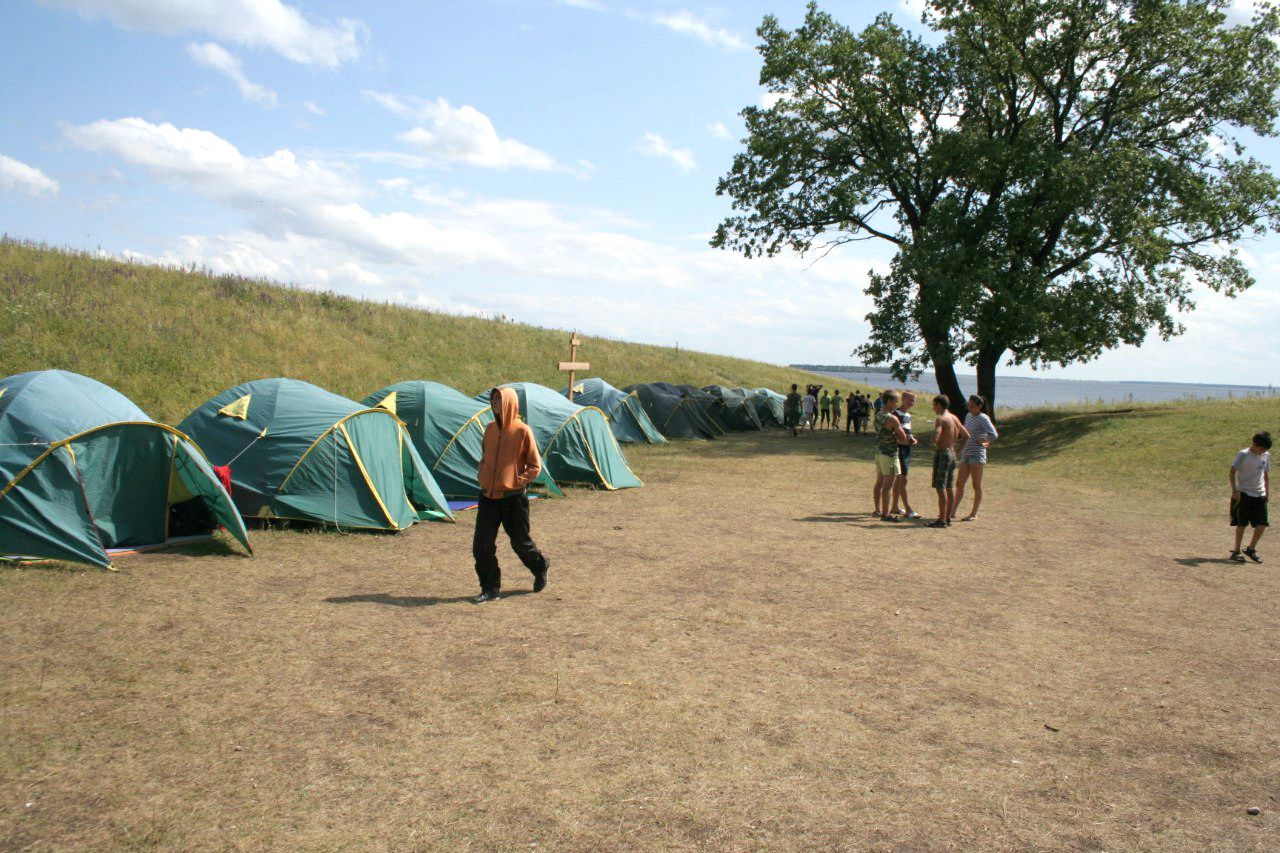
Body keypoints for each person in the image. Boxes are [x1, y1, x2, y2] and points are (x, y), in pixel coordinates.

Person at [472, 387, 550, 603]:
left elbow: (535, 466)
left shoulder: (522, 431)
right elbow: (485, 457)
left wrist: (515, 482)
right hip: (488, 495)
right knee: (482, 545)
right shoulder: (488, 429)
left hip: (513, 498)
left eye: (499, 399)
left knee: (520, 542)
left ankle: (540, 565)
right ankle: (490, 588)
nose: (494, 402)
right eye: (493, 398)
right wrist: (483, 475)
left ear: (509, 402)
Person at [955, 395, 998, 522]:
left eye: (972, 406)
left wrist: (984, 440)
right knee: (959, 483)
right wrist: (959, 447)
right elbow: (965, 433)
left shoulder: (983, 418)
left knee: (976, 484)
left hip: (977, 454)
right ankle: (952, 511)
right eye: (968, 405)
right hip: (966, 453)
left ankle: (973, 513)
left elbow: (993, 434)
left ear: (979, 406)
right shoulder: (968, 416)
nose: (969, 408)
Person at [927, 394, 969, 528]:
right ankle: (947, 517)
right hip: (952, 453)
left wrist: (935, 437)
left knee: (941, 487)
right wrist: (959, 450)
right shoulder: (954, 418)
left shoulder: (941, 419)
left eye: (934, 405)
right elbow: (966, 435)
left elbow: (936, 436)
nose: (933, 408)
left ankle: (942, 519)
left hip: (943, 453)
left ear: (939, 405)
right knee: (949, 486)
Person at [1230, 430, 1271, 563]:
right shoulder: (1243, 454)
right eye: (1261, 448)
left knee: (1263, 524)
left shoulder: (1265, 455)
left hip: (1260, 494)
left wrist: (1267, 493)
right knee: (1242, 524)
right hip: (1244, 493)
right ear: (1254, 443)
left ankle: (1251, 549)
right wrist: (1235, 490)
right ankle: (1236, 551)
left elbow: (1265, 475)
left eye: (1265, 449)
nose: (1262, 451)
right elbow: (1232, 471)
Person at [873, 390, 910, 521]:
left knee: (880, 482)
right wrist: (909, 439)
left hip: (879, 452)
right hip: (889, 453)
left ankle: (878, 509)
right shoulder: (892, 418)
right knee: (888, 484)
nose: (897, 403)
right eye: (896, 401)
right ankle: (885, 513)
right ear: (889, 401)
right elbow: (903, 437)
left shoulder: (878, 414)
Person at [888, 391, 921, 519]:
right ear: (903, 399)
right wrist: (901, 440)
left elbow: (907, 432)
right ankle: (908, 509)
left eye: (913, 400)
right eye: (909, 400)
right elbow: (891, 433)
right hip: (899, 450)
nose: (911, 402)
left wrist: (913, 439)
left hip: (906, 450)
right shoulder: (895, 414)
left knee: (899, 479)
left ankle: (895, 507)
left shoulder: (908, 415)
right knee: (903, 479)